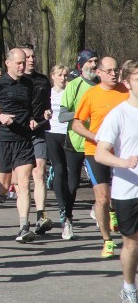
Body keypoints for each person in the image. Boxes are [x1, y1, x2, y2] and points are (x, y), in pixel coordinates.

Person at [0, 48, 46, 243]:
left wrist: (37, 119)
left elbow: (33, 109)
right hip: (3, 139)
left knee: (24, 183)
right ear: (7, 63)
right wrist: (0, 116)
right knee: (4, 186)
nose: (22, 66)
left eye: (24, 62)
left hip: (24, 139)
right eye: (18, 63)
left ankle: (24, 227)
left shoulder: (29, 84)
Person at [73, 56, 128, 258]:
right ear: (99, 73)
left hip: (123, 152)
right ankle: (107, 240)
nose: (114, 74)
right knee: (102, 198)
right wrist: (96, 136)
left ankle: (115, 212)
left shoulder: (126, 91)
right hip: (95, 152)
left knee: (122, 197)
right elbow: (77, 123)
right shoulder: (91, 95)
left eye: (116, 70)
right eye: (109, 71)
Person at [95, 59, 138, 303]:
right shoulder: (118, 115)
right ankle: (129, 287)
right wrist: (125, 162)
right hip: (127, 189)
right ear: (127, 83)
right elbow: (100, 153)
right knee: (132, 243)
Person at [57, 49, 99, 237]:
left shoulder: (102, 86)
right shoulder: (74, 85)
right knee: (73, 185)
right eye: (89, 61)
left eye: (95, 61)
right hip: (75, 142)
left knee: (101, 183)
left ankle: (97, 209)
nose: (93, 65)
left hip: (97, 142)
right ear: (81, 65)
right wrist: (83, 113)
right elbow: (62, 116)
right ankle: (67, 219)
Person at [20, 45, 53, 235]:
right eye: (27, 57)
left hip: (39, 131)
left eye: (33, 56)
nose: (32, 60)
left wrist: (47, 113)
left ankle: (41, 215)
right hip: (19, 134)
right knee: (21, 180)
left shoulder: (42, 80)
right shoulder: (15, 82)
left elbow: (47, 106)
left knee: (39, 172)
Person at [45, 64, 72, 239]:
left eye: (65, 75)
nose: (63, 78)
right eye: (60, 75)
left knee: (69, 174)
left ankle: (54, 176)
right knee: (60, 168)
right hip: (51, 133)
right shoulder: (47, 93)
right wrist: (44, 113)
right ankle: (64, 211)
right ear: (53, 76)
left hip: (69, 134)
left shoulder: (71, 91)